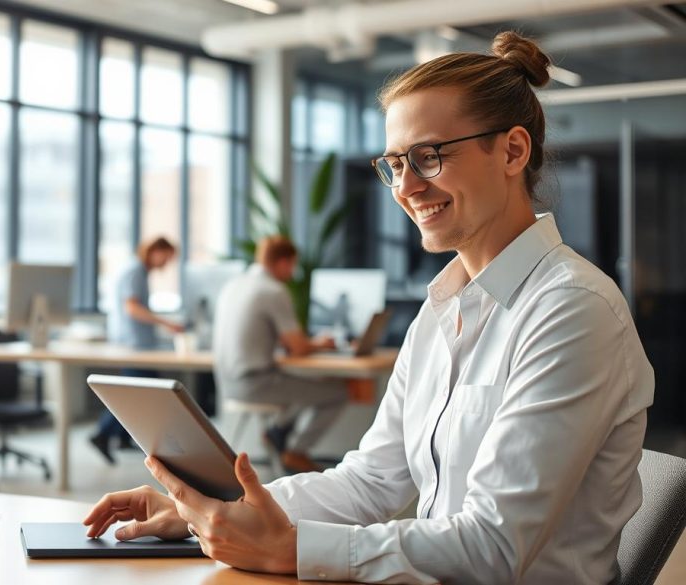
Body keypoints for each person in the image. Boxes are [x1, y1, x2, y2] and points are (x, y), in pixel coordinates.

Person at [82, 32, 654, 584]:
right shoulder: (440, 313)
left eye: (429, 157)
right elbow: (371, 481)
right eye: (394, 164)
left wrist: (294, 549)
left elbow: (493, 547)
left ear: (512, 150)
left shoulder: (572, 311)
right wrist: (206, 509)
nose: (406, 187)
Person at [213, 235, 347, 473]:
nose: (292, 273)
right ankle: (295, 451)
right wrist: (322, 344)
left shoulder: (233, 285)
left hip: (226, 384)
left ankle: (277, 431)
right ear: (284, 262)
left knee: (302, 387)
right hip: (257, 383)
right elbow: (299, 348)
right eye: (292, 266)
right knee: (337, 392)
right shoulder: (273, 291)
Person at [89, 237, 184, 465]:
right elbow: (131, 307)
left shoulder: (140, 271)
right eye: (167, 257)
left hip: (137, 342)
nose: (167, 263)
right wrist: (165, 323)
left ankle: (122, 437)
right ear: (155, 251)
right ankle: (102, 433)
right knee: (141, 392)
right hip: (132, 343)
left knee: (139, 389)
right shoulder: (135, 271)